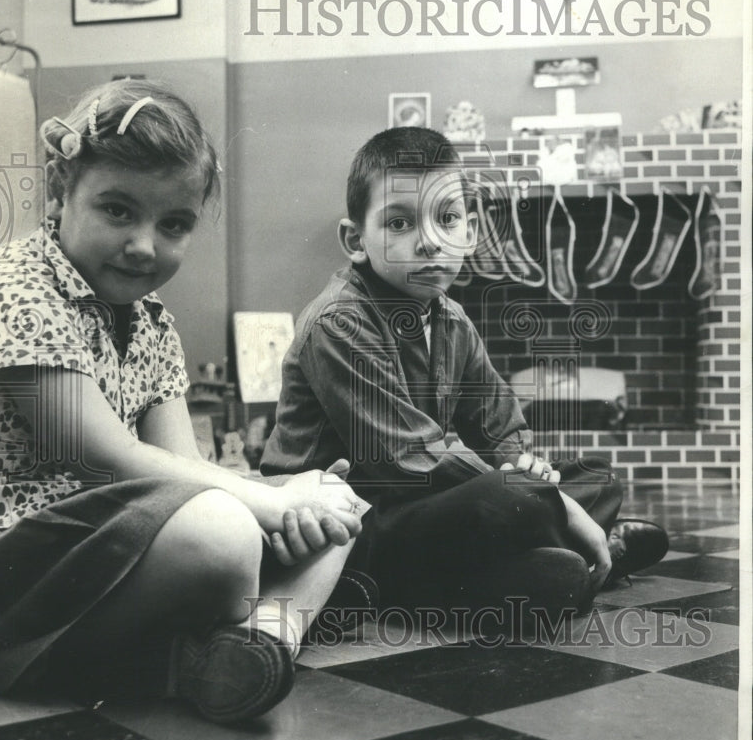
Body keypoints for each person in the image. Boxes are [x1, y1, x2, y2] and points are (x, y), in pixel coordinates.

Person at [0, 79, 368, 725]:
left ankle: (261, 643)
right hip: (11, 573)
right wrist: (271, 505)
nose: (144, 245)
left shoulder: (152, 322)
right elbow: (110, 459)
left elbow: (179, 464)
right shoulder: (18, 288)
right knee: (223, 533)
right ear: (60, 191)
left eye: (173, 225)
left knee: (338, 504)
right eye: (117, 211)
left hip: (116, 550)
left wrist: (295, 497)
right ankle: (209, 647)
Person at [261, 127, 668, 623]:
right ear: (356, 240)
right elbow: (408, 459)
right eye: (399, 224)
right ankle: (556, 556)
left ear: (469, 232)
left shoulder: (451, 318)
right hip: (349, 522)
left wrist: (534, 473)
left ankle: (540, 558)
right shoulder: (339, 321)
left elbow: (499, 428)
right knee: (513, 501)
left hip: (421, 509)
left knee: (595, 478)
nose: (430, 241)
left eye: (447, 219)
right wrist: (549, 499)